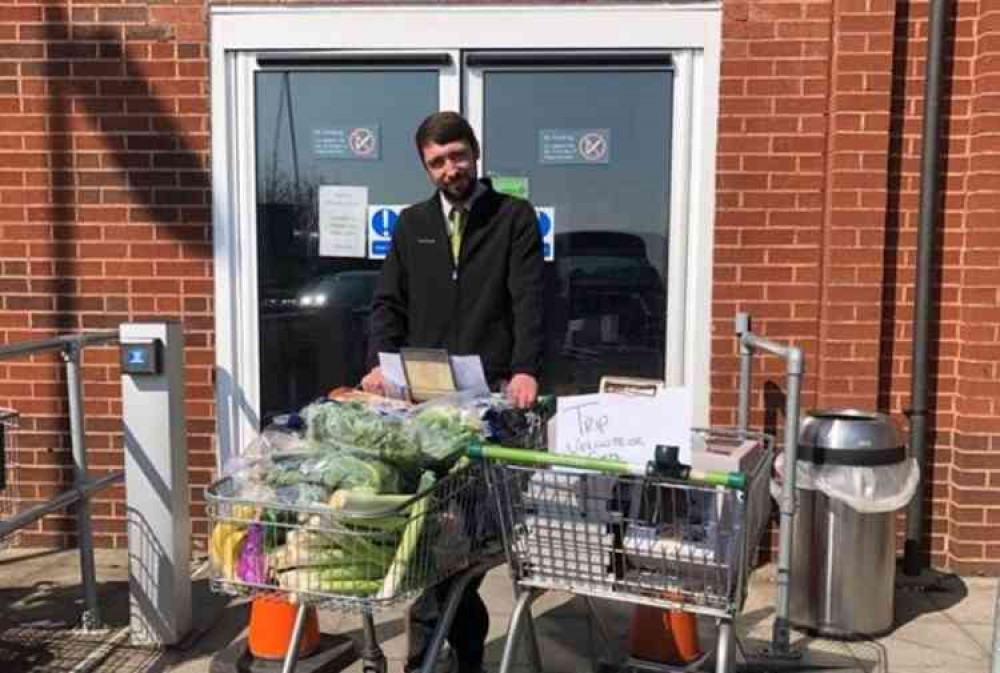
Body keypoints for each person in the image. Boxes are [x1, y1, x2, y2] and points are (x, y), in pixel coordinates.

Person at [361, 111, 544, 673]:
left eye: (458, 156)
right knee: (428, 540)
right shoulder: (413, 223)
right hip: (424, 405)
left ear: (475, 154)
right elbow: (389, 302)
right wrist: (380, 365)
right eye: (437, 162)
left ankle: (445, 655)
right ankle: (436, 657)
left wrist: (526, 369)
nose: (450, 169)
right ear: (425, 166)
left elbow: (531, 298)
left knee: (467, 543)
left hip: (488, 402)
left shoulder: (512, 217)